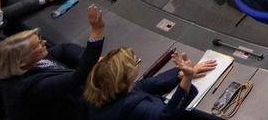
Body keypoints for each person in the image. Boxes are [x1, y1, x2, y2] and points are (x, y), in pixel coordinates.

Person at [0, 2, 106, 120]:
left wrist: (92, 59)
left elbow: (64, 49)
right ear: (22, 62)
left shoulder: (31, 62)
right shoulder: (32, 87)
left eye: (39, 39)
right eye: (37, 45)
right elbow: (78, 76)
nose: (43, 43)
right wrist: (97, 32)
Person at [83, 46, 215, 120]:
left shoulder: (103, 91)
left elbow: (145, 85)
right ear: (125, 77)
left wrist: (179, 74)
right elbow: (166, 116)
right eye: (136, 63)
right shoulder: (134, 107)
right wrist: (187, 78)